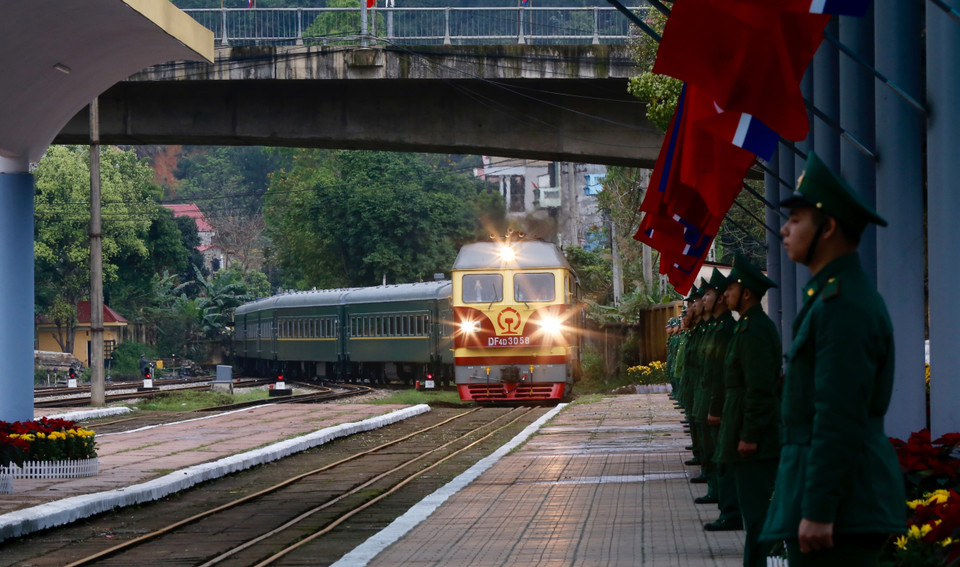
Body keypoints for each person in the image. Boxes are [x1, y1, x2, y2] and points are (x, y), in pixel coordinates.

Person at [760, 151, 905, 566]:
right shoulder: (831, 295)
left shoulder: (843, 304)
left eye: (797, 220)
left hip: (844, 508)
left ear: (829, 228)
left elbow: (838, 414)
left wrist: (820, 509)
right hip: (839, 498)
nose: (785, 230)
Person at [716, 253, 781, 566]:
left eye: (730, 290)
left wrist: (750, 435)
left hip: (754, 441)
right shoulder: (748, 327)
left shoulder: (755, 330)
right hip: (744, 431)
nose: (725, 295)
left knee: (757, 515)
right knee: (754, 513)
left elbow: (759, 389)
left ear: (747, 293)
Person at [699, 268, 742, 531]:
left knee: (724, 458)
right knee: (718, 455)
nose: (704, 300)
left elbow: (722, 372)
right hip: (716, 399)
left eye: (709, 294)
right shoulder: (717, 329)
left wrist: (716, 406)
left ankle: (731, 511)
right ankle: (726, 506)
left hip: (726, 403)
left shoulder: (727, 330)